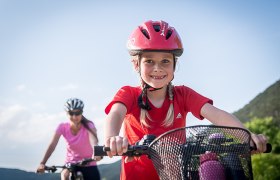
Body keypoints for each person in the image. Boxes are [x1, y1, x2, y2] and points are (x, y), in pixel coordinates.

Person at [104, 20, 268, 180]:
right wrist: (112, 139)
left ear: (174, 64)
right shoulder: (129, 93)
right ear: (136, 65)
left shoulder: (183, 95)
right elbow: (116, 113)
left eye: (165, 61)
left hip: (175, 175)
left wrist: (248, 136)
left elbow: (218, 116)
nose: (157, 68)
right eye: (149, 61)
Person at [37, 98, 101, 180]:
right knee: (64, 176)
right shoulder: (62, 127)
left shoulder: (89, 125)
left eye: (77, 113)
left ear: (82, 113)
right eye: (71, 113)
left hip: (89, 162)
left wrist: (97, 152)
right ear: (67, 113)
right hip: (70, 163)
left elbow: (94, 141)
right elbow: (52, 145)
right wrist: (42, 163)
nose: (74, 117)